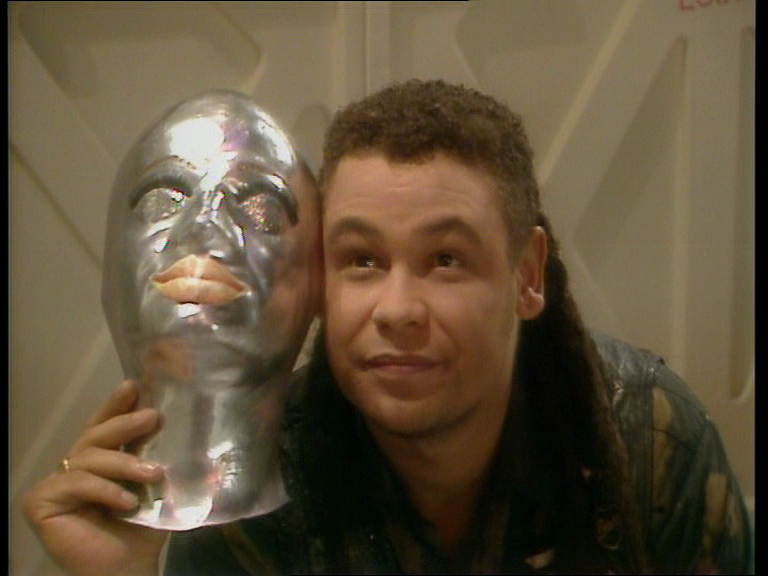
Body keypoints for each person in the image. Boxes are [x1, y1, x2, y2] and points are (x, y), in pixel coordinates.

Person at [24, 79, 752, 574]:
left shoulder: (647, 443)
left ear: (528, 275)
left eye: (445, 259)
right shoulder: (252, 496)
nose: (397, 310)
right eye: (362, 260)